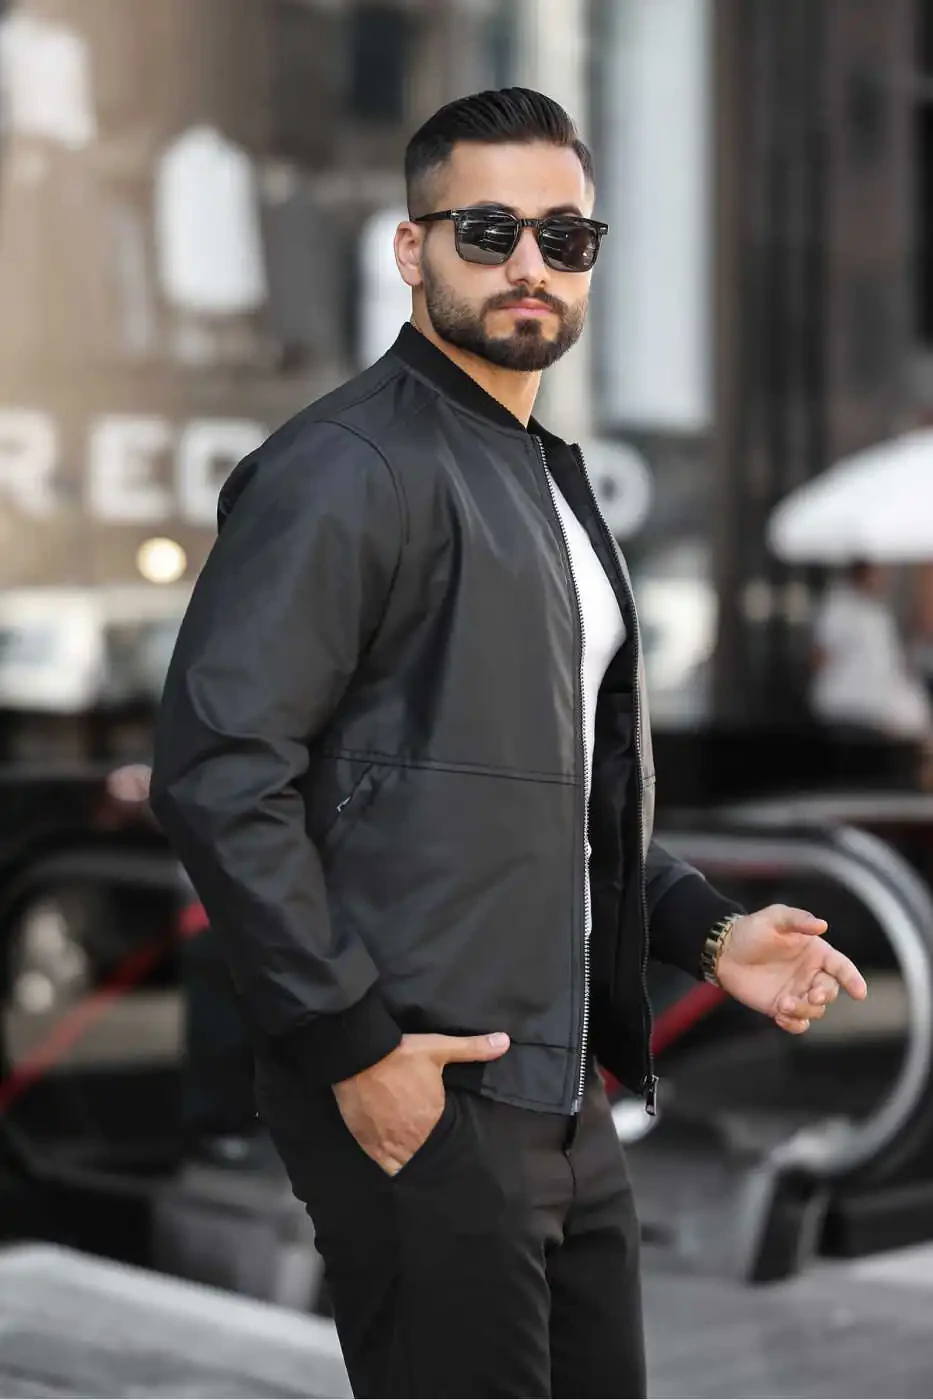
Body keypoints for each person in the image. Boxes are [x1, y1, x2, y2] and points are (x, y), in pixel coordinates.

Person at [150, 89, 868, 1399]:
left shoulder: (538, 476)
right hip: (421, 1081)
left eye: (564, 236)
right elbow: (221, 774)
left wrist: (710, 932)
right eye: (489, 231)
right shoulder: (343, 469)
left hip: (558, 1084)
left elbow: (542, 796)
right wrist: (352, 1046)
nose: (531, 263)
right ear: (412, 248)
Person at [810, 560, 932, 742]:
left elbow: (890, 661)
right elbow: (818, 658)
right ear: (864, 573)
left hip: (882, 706)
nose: (885, 579)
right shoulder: (839, 606)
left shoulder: (878, 612)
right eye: (880, 572)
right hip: (850, 708)